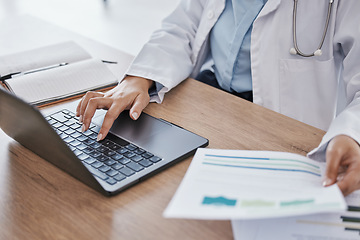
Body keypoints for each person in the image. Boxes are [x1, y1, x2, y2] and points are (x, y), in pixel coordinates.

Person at [76, 0, 360, 196]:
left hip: (282, 132)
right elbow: (181, 26)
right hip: (211, 104)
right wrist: (139, 77)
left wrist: (352, 134)